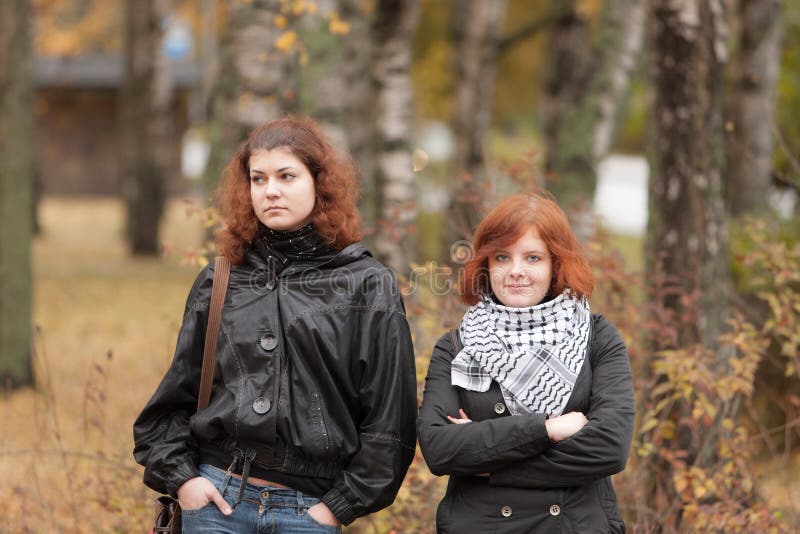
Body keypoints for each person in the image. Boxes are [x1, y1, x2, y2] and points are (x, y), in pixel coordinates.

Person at [133, 116, 417, 532]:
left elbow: (391, 420)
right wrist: (185, 481)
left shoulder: (366, 284)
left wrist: (337, 507)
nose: (271, 191)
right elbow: (172, 402)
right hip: (216, 501)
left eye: (287, 176)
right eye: (258, 178)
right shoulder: (221, 280)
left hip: (310, 509)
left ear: (319, 184)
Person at [417, 193, 635, 533]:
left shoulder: (596, 338)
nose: (516, 271)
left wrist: (493, 464)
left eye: (533, 258)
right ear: (487, 265)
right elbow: (440, 449)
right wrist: (547, 429)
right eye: (502, 257)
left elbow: (609, 447)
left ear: (555, 264)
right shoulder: (457, 346)